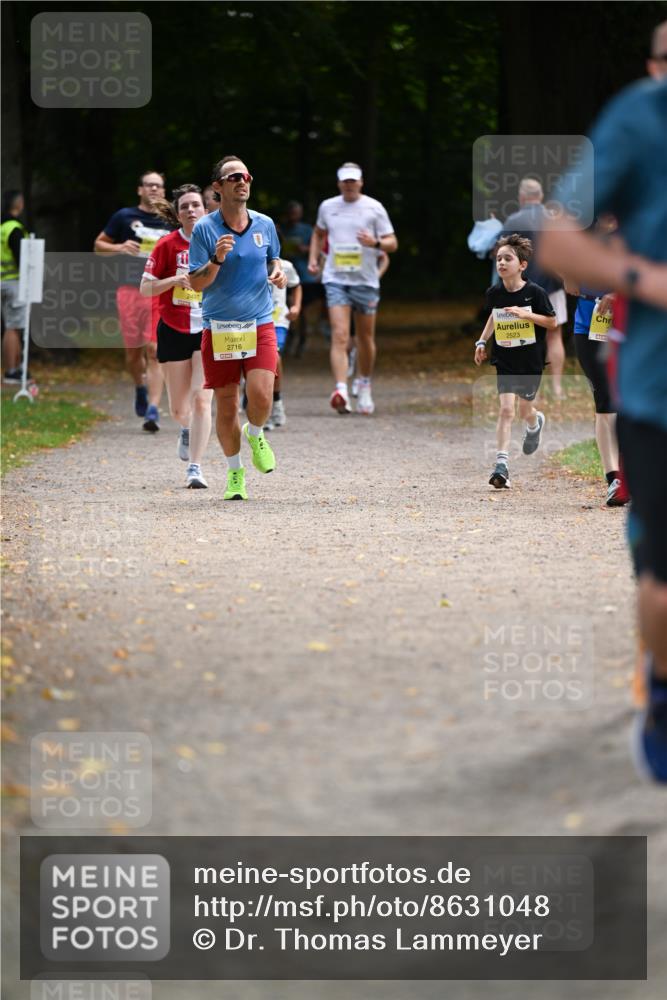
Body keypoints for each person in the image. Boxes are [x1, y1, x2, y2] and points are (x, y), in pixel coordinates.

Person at [540, 73, 667, 782]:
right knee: (655, 569)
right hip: (646, 376)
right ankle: (659, 675)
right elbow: (571, 262)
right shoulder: (634, 145)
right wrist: (633, 279)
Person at [188, 155, 286, 502]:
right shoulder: (204, 229)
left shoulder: (265, 224)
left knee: (261, 393)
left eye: (245, 176)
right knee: (226, 405)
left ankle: (256, 431)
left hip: (258, 321)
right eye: (233, 177)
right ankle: (234, 473)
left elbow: (273, 257)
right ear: (218, 187)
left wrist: (278, 271)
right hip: (220, 326)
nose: (241, 181)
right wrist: (215, 259)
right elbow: (195, 284)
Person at [308, 162, 397, 415]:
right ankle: (341, 390)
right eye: (344, 181)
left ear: (360, 182)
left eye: (353, 181)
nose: (349, 185)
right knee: (340, 335)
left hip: (366, 281)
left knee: (366, 338)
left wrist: (376, 242)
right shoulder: (328, 206)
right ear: (339, 183)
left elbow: (392, 243)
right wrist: (314, 259)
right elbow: (318, 234)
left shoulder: (374, 207)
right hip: (336, 278)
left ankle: (365, 383)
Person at [140, 184, 213, 488]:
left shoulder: (217, 242)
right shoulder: (167, 245)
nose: (191, 210)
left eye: (196, 204)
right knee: (179, 410)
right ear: (178, 213)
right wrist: (174, 280)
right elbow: (145, 288)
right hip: (173, 327)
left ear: (205, 209)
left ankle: (195, 468)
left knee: (201, 402)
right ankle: (186, 429)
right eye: (185, 206)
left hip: (209, 328)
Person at [474, 234, 557, 489]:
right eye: (498, 258)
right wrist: (481, 341)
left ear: (522, 265)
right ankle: (502, 464)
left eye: (507, 258)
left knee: (524, 411)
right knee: (506, 410)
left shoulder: (536, 292)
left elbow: (552, 322)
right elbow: (493, 317)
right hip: (505, 359)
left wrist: (525, 314)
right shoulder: (495, 292)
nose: (501, 263)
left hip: (530, 361)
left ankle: (534, 422)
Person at [94, 170, 171, 431]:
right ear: (140, 189)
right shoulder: (124, 216)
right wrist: (120, 247)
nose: (153, 189)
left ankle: (153, 409)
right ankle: (140, 386)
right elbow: (98, 246)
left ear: (163, 190)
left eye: (158, 186)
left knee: (154, 349)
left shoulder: (170, 219)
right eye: (148, 185)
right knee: (133, 351)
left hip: (158, 291)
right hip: (128, 290)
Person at [500, 178, 567, 398]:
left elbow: (503, 255)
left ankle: (532, 390)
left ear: (521, 197)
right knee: (554, 335)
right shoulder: (552, 219)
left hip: (523, 287)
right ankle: (557, 388)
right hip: (553, 285)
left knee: (525, 339)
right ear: (540, 197)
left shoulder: (512, 221)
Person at [279, 200, 320, 357]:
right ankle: (289, 338)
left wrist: (305, 249)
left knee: (301, 310)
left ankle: (301, 340)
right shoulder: (280, 229)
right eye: (291, 212)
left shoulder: (307, 230)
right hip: (284, 274)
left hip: (303, 276)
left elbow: (317, 248)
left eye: (296, 212)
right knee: (287, 307)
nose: (293, 216)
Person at [265, 257, 301, 430]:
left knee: (274, 357)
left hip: (277, 320)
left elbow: (296, 285)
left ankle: (276, 401)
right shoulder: (246, 259)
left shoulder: (286, 266)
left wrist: (296, 307)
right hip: (249, 320)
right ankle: (251, 397)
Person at [1, 190, 30, 383]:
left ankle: (16, 368)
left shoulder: (2, 227)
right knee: (14, 327)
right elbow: (23, 258)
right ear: (18, 204)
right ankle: (12, 370)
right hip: (14, 283)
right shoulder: (14, 228)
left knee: (9, 326)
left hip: (3, 282)